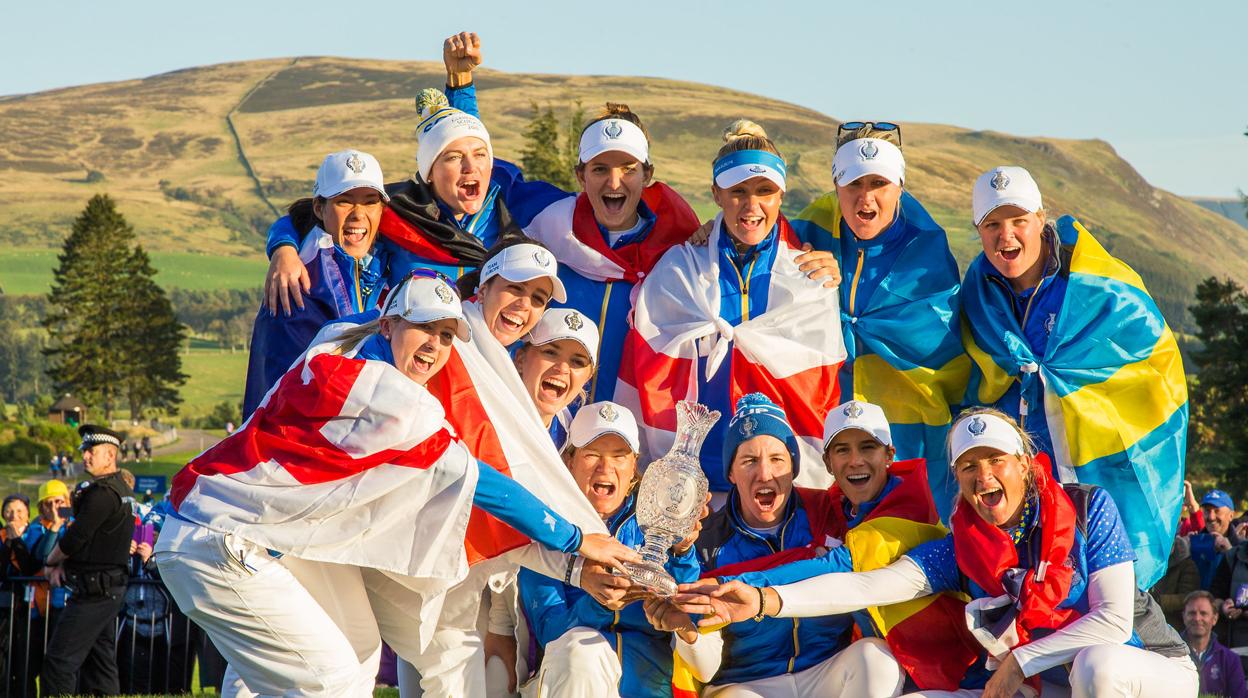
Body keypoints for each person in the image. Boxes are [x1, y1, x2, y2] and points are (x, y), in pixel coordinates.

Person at [157, 272, 636, 697]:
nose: (434, 345)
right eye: (423, 327)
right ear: (388, 326)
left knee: (359, 655)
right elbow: (479, 482)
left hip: (253, 532)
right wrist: (576, 540)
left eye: (447, 334)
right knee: (329, 681)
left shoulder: (336, 342)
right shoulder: (394, 399)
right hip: (219, 538)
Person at [679, 408, 1197, 696]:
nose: (983, 475)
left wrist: (1020, 662)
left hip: (1143, 664)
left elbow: (1110, 623)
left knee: (1097, 669)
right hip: (1046, 683)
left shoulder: (1087, 507)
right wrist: (764, 600)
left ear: (1023, 463)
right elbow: (866, 583)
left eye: (994, 460)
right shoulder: (959, 547)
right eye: (969, 467)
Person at [960, 165, 1188, 590]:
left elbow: (1151, 361)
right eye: (992, 224)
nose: (1005, 236)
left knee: (1103, 593)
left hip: (1094, 465)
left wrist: (1066, 384)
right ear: (978, 229)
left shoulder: (1097, 282)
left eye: (1018, 221)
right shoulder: (978, 287)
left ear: (1041, 220)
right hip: (1023, 480)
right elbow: (977, 371)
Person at [619, 121, 846, 493]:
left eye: (765, 191)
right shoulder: (679, 269)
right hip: (691, 476)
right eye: (738, 191)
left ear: (781, 196)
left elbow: (822, 391)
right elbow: (642, 369)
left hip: (777, 479)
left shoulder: (809, 279)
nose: (752, 205)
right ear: (716, 194)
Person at [262, 31, 530, 316]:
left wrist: (461, 83)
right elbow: (306, 215)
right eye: (452, 158)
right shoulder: (400, 211)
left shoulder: (511, 205)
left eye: (481, 157)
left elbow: (465, 137)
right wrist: (283, 250)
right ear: (429, 172)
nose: (470, 166)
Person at [656, 394, 904, 696]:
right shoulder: (703, 540)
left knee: (876, 658)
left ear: (793, 468)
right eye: (749, 461)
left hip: (826, 669)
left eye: (777, 459)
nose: (765, 474)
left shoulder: (830, 511)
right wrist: (687, 631)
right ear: (731, 473)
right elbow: (704, 668)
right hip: (745, 682)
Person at [788, 122, 969, 516]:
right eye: (853, 184)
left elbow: (946, 359)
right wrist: (708, 232)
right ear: (836, 188)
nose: (865, 197)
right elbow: (755, 246)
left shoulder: (928, 258)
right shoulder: (807, 234)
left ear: (900, 187)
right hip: (824, 420)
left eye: (879, 184)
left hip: (907, 431)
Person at [513, 102, 700, 404]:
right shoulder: (546, 229)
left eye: (628, 169)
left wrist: (803, 253)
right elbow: (471, 167)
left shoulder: (677, 250)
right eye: (600, 169)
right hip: (543, 417)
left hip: (624, 433)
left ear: (647, 174)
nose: (614, 182)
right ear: (580, 175)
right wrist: (461, 86)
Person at [517, 402, 703, 697]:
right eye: (592, 455)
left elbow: (692, 615)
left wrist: (682, 551)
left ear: (634, 466)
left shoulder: (656, 523)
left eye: (619, 457)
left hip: (648, 682)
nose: (606, 468)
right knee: (581, 654)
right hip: (571, 677)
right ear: (569, 461)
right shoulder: (547, 527)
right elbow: (550, 630)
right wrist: (598, 603)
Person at [241, 148, 393, 416]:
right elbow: (289, 396)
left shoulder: (386, 265)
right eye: (345, 201)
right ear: (319, 208)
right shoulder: (295, 283)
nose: (359, 214)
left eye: (370, 202)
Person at [39, 424, 135, 696]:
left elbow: (75, 538)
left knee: (59, 662)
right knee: (101, 664)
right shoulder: (121, 491)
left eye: (91, 451)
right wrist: (63, 562)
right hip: (105, 587)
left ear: (110, 455)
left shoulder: (103, 493)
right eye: (85, 452)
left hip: (95, 590)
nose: (85, 457)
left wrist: (50, 561)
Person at [513, 308, 599, 449]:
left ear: (587, 378)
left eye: (577, 362)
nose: (563, 368)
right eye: (550, 352)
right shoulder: (486, 411)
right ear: (520, 358)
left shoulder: (564, 430)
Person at [1183, 590, 1248, 698]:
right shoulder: (1171, 655)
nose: (1197, 618)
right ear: (1184, 616)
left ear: (1215, 618)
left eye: (1203, 613)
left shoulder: (1230, 660)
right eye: (1192, 613)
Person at [1151, 535, 1201, 630]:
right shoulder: (1151, 563)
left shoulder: (1186, 565)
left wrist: (1158, 600)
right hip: (1151, 619)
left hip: (1174, 625)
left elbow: (1188, 597)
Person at [1194, 489, 1240, 589]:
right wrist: (1182, 553)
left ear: (1231, 515)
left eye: (1217, 511)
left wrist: (1230, 552)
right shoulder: (1194, 544)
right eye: (1207, 511)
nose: (1211, 517)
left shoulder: (1242, 549)